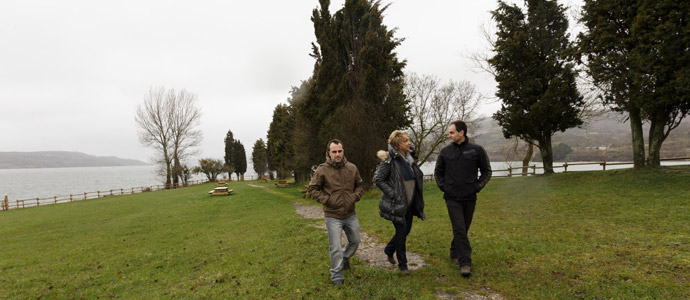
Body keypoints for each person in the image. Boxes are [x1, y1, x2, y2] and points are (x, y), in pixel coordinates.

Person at [434, 120, 491, 277]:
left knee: (463, 228)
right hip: (451, 198)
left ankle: (454, 251)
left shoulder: (477, 150)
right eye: (449, 132)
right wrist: (444, 187)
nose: (449, 135)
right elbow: (438, 173)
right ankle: (465, 262)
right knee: (459, 228)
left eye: (452, 132)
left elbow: (487, 172)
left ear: (462, 133)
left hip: (470, 197)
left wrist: (477, 187)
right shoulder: (445, 152)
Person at [308, 139, 363, 286]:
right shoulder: (322, 170)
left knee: (355, 241)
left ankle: (345, 258)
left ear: (343, 151)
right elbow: (312, 189)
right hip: (332, 216)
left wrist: (354, 197)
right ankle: (336, 275)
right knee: (336, 247)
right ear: (329, 153)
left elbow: (359, 186)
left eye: (340, 151)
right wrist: (328, 200)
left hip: (350, 213)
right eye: (334, 152)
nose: (337, 154)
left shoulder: (352, 168)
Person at [375, 130, 425, 274]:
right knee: (402, 232)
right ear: (397, 144)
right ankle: (403, 265)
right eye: (405, 141)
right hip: (397, 204)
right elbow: (379, 180)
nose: (409, 142)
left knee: (406, 230)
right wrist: (393, 194)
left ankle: (389, 249)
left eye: (408, 140)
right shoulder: (389, 160)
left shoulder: (409, 157)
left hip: (409, 204)